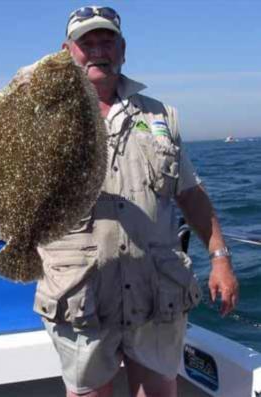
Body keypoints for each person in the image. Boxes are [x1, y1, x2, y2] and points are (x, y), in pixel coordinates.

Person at [13, 6, 239, 397]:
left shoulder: (161, 116)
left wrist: (219, 256)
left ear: (123, 48)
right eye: (87, 42)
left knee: (157, 390)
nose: (98, 50)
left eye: (107, 40)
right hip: (81, 294)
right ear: (67, 51)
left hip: (156, 291)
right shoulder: (39, 115)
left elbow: (189, 192)